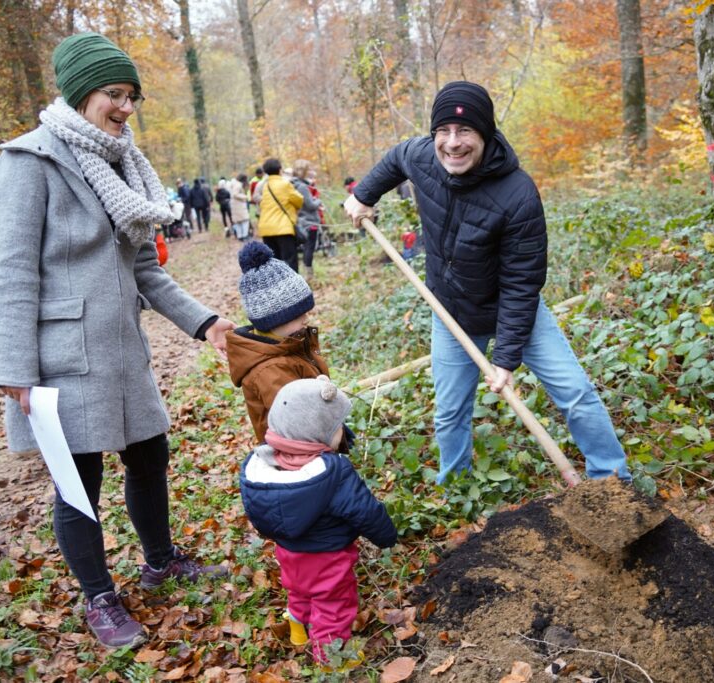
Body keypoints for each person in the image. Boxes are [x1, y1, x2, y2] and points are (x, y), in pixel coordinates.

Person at [0, 32, 236, 649]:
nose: (125, 108)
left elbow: (144, 268)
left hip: (123, 350)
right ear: (80, 93)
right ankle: (99, 597)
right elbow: (10, 271)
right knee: (80, 481)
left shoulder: (121, 162)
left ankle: (159, 560)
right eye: (113, 95)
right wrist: (14, 365)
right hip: (61, 357)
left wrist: (205, 323)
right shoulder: (30, 161)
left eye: (132, 97)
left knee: (150, 457)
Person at [343, 81, 630, 484]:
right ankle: (457, 488)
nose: (453, 143)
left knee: (576, 394)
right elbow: (396, 159)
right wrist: (364, 195)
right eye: (443, 131)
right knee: (450, 410)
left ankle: (612, 481)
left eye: (466, 132)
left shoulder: (517, 194)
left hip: (512, 309)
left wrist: (505, 358)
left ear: (486, 134)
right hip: (452, 310)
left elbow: (521, 283)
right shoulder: (422, 156)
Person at [239, 377, 397, 660]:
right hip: (328, 557)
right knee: (333, 604)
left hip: (288, 551)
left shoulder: (260, 468)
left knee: (299, 590)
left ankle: (298, 629)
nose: (342, 431)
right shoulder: (333, 473)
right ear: (317, 435)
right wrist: (387, 535)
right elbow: (364, 510)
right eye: (337, 427)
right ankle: (331, 660)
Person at [226, 242, 328, 443]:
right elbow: (297, 420)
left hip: (314, 440)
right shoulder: (269, 369)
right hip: (296, 453)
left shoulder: (289, 343)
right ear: (274, 320)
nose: (306, 319)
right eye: (299, 315)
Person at [252, 157, 302, 271]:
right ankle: (292, 287)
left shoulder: (264, 186)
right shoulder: (285, 184)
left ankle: (276, 287)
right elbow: (299, 200)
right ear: (280, 169)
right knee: (290, 261)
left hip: (266, 229)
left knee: (273, 263)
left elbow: (258, 200)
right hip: (283, 228)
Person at [290, 160, 323, 278]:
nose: (310, 172)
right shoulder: (302, 187)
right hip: (309, 221)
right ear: (303, 171)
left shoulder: (293, 184)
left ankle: (306, 274)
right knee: (309, 248)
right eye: (308, 169)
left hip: (300, 221)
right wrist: (318, 201)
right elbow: (310, 205)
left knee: (305, 248)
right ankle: (309, 275)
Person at [230, 173, 251, 241]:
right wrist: (245, 197)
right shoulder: (238, 185)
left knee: (238, 221)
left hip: (235, 205)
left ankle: (240, 236)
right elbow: (235, 194)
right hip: (239, 205)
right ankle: (244, 235)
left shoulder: (234, 184)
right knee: (245, 220)